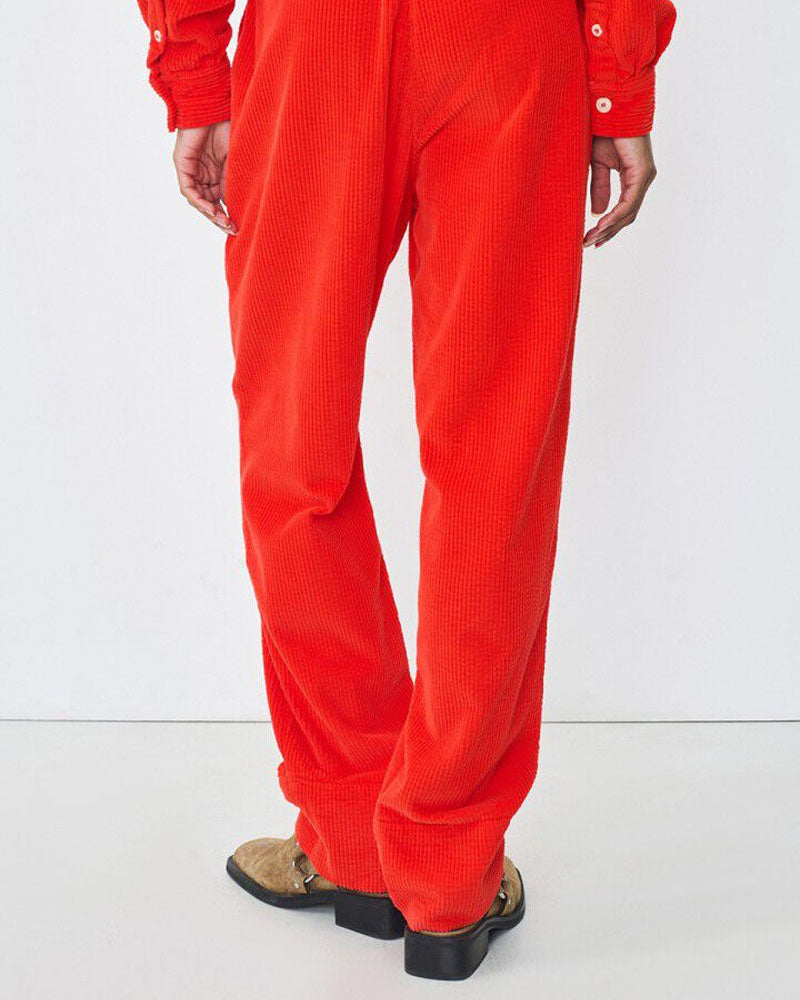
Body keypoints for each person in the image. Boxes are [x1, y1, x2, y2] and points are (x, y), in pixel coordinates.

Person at [136, 0, 676, 980]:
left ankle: (352, 835)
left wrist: (196, 73)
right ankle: (447, 868)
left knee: (291, 452)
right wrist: (615, 82)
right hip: (508, 46)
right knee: (494, 464)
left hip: (318, 46)